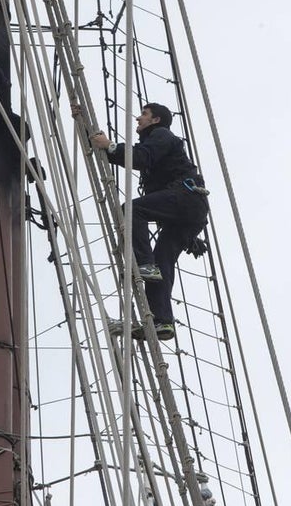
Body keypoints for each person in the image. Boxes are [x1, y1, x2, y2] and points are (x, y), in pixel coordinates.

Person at [88, 103, 208, 342]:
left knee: (132, 209)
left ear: (155, 120)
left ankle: (144, 264)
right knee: (163, 260)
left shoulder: (161, 135)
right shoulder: (156, 139)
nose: (138, 118)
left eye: (144, 114)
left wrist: (110, 146)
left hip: (185, 198)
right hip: (190, 211)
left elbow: (142, 158)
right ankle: (162, 321)